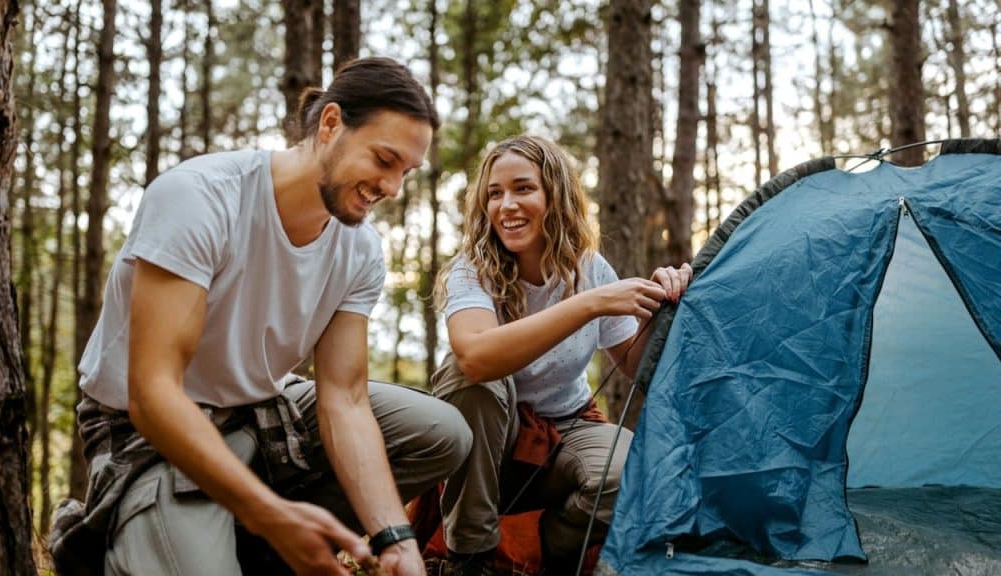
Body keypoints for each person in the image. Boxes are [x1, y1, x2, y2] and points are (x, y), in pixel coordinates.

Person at [49, 57, 472, 576]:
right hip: (147, 432)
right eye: (384, 160)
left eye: (405, 172)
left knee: (440, 431)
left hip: (260, 410)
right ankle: (109, 533)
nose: (392, 187)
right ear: (331, 123)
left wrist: (397, 538)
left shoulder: (360, 250)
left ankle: (253, 544)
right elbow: (153, 394)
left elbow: (345, 398)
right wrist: (271, 515)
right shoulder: (199, 198)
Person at [432, 135, 692, 575]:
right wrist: (590, 303)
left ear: (556, 195)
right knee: (468, 377)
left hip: (567, 427)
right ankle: (469, 558)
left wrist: (664, 310)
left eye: (523, 188)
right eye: (494, 194)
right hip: (489, 443)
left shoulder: (588, 268)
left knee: (630, 470)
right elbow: (475, 358)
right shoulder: (470, 271)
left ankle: (547, 556)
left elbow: (634, 365)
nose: (506, 205)